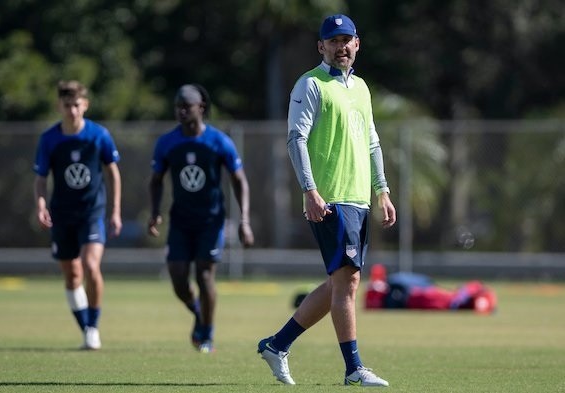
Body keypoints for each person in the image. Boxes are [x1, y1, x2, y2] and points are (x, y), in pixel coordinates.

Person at [257, 14, 396, 387]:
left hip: (359, 198)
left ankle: (277, 344)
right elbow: (295, 139)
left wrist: (382, 190)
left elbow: (372, 142)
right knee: (347, 284)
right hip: (331, 199)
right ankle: (353, 368)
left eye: (346, 39)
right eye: (333, 41)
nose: (341, 46)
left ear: (357, 43)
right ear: (321, 47)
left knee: (341, 283)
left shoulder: (362, 88)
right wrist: (310, 190)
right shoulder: (311, 85)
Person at [148, 84, 254, 354]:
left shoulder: (218, 142)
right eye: (178, 106)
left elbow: (239, 180)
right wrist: (154, 213)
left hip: (211, 220)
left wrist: (244, 220)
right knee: (178, 277)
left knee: (205, 275)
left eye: (187, 106)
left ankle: (206, 333)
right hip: (180, 221)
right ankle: (198, 312)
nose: (181, 110)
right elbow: (157, 180)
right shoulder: (167, 143)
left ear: (201, 108)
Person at [33, 80, 122, 350]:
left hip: (92, 211)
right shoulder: (50, 138)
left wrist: (115, 210)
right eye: (67, 105)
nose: (72, 111)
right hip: (62, 213)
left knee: (91, 266)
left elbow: (112, 173)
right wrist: (40, 204)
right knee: (72, 276)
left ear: (85, 105)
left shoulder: (99, 135)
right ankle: (85, 328)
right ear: (59, 106)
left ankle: (93, 326)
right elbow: (40, 177)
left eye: (76, 105)